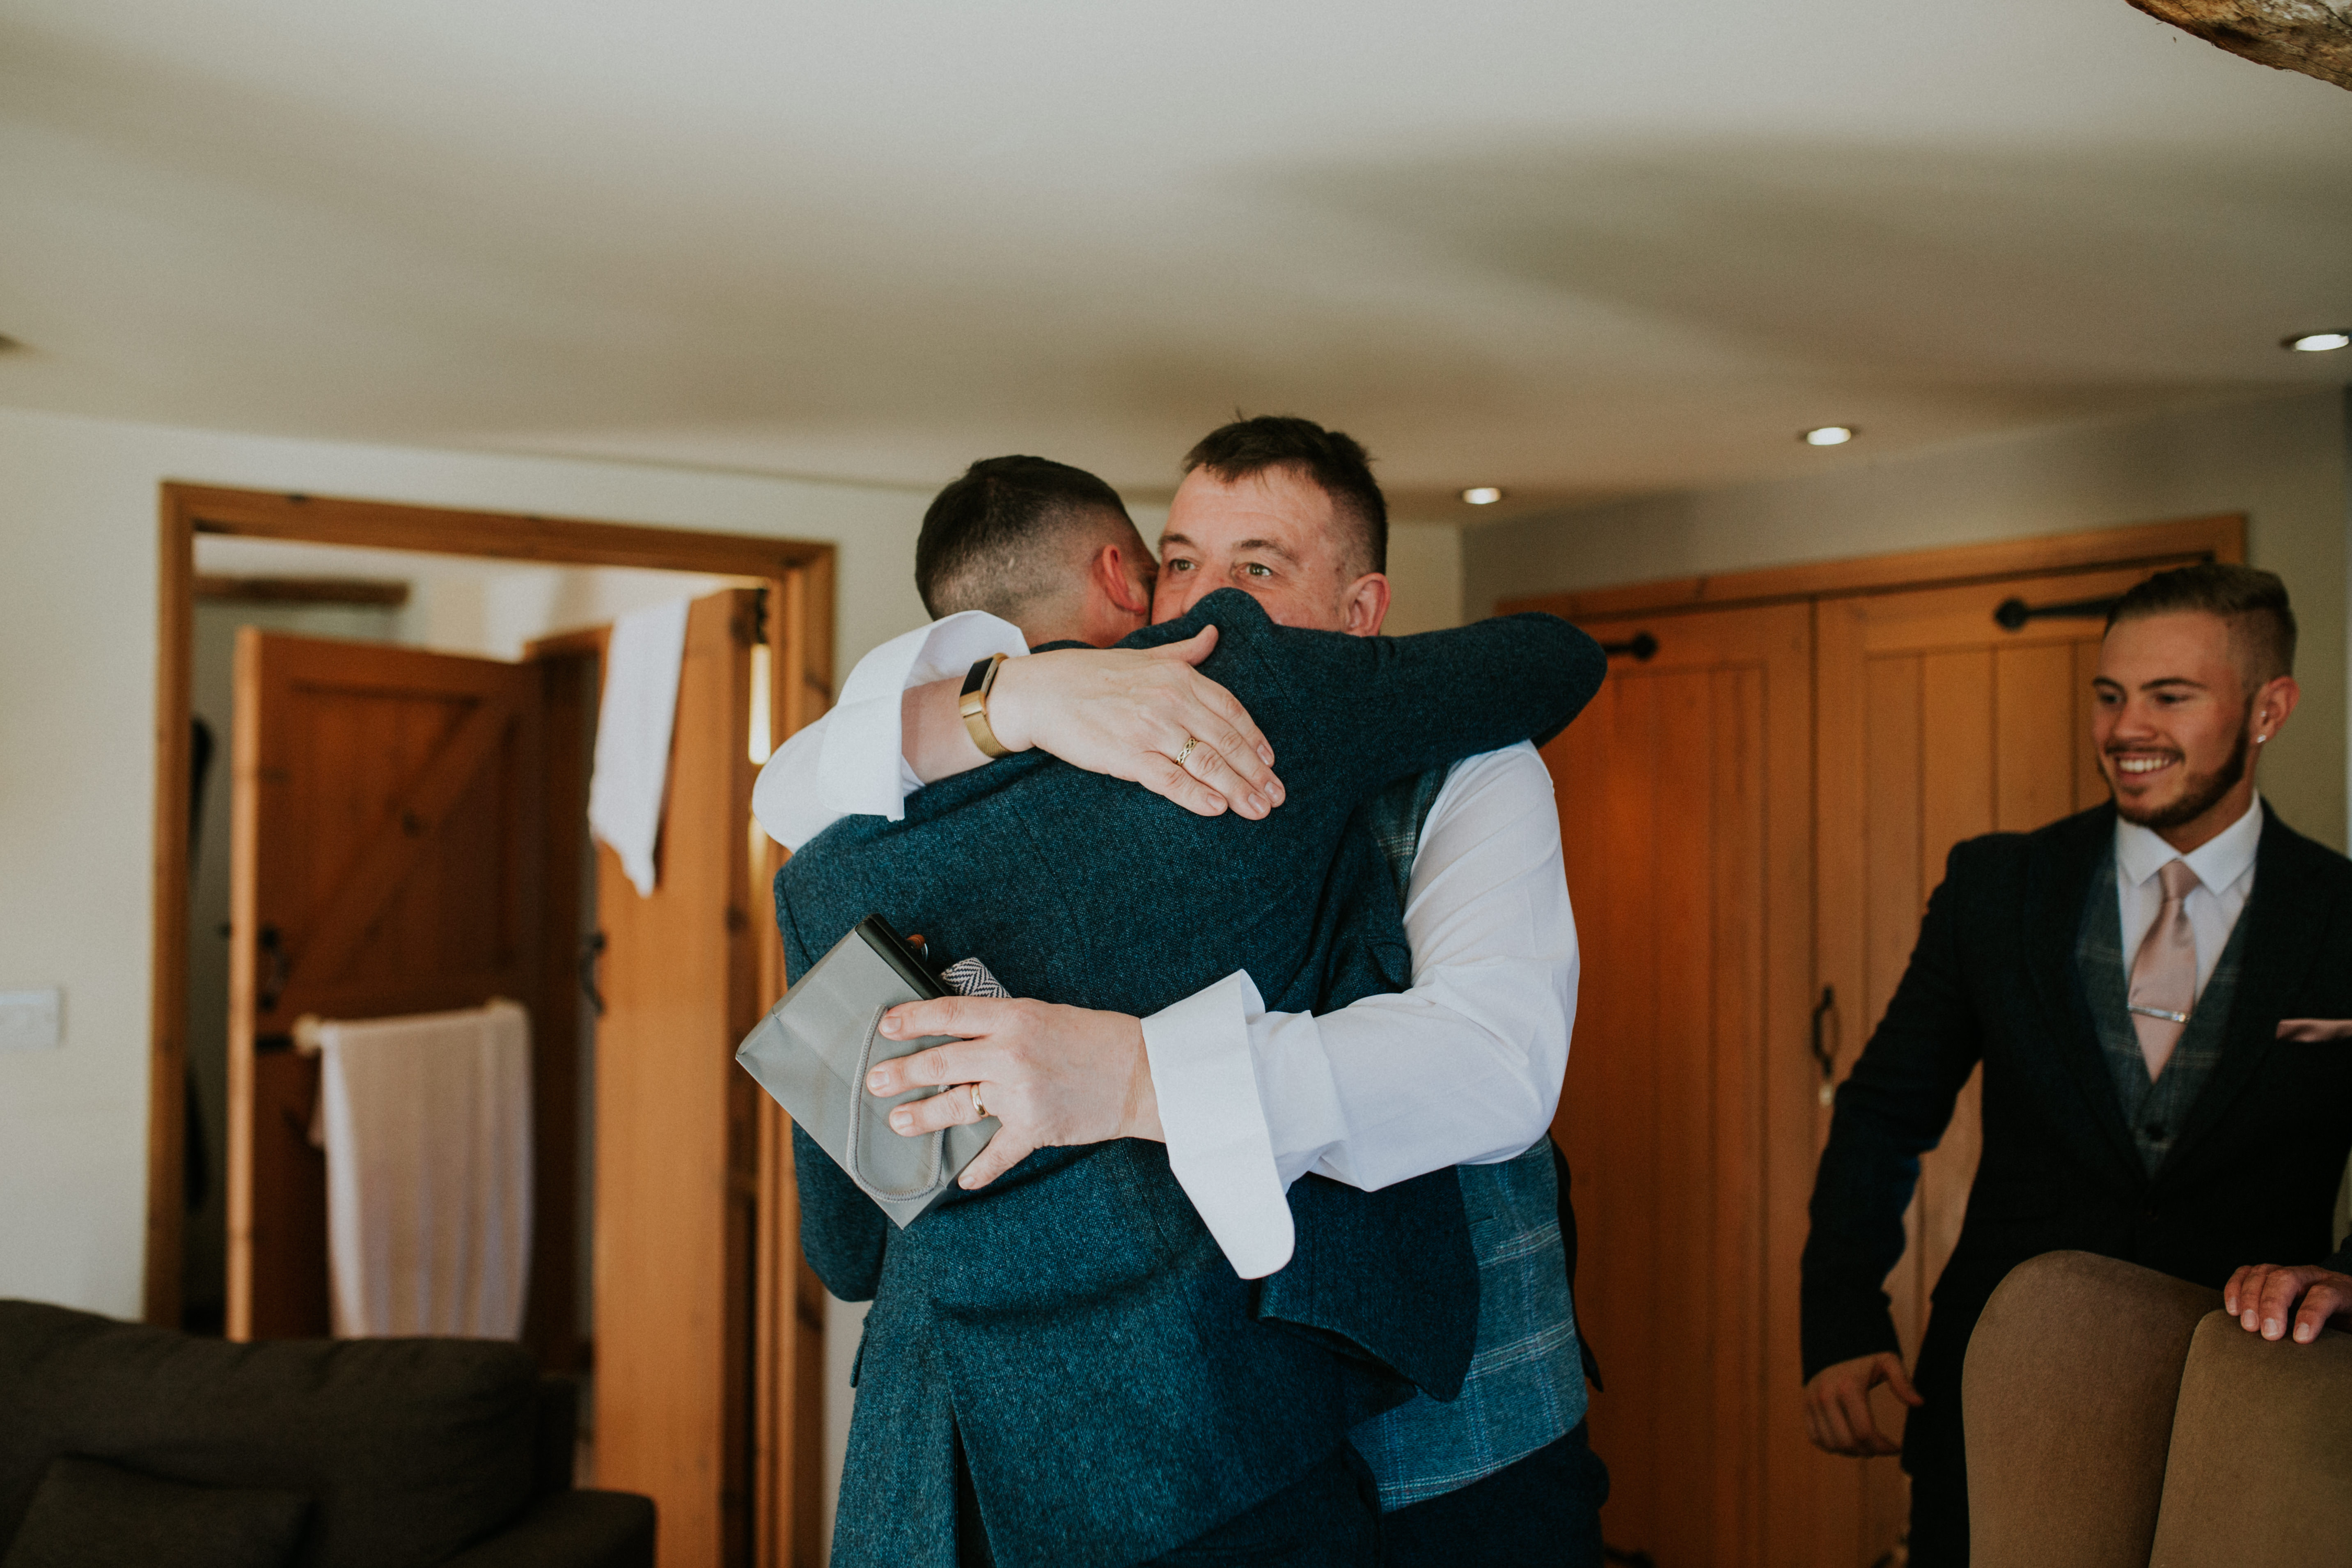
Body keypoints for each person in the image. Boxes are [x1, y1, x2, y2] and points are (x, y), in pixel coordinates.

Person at [759, 425, 1607, 1563]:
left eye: (1256, 568)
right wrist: (1019, 695)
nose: (1207, 604)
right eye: (1180, 561)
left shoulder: (1467, 764)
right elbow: (791, 795)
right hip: (1160, 1433)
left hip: (1453, 1430)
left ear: (1361, 613)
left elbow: (1495, 1066)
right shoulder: (1033, 747)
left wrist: (1127, 1073)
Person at [1799, 563, 2352, 1564]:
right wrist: (1840, 1314)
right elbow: (1884, 1112)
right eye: (2110, 693)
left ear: (2270, 708)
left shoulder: (2345, 918)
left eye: (2170, 696)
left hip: (2251, 1427)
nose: (2125, 727)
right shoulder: (1996, 888)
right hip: (1998, 1409)